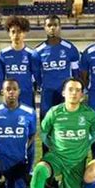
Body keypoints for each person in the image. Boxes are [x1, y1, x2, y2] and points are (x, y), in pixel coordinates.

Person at [25, 78, 95, 188]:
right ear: (64, 93)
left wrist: (82, 148)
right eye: (70, 89)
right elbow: (44, 133)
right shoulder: (54, 112)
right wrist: (53, 147)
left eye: (78, 90)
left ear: (82, 94)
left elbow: (94, 134)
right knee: (39, 171)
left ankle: (66, 187)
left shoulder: (89, 114)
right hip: (57, 157)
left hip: (76, 163)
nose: (74, 93)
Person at [33, 15, 80, 152]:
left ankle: (66, 157)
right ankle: (48, 160)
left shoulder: (70, 48)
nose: (52, 28)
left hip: (65, 95)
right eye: (49, 25)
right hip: (48, 95)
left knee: (67, 127)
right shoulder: (38, 51)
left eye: (55, 25)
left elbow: (76, 74)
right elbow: (37, 76)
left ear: (60, 27)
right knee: (47, 127)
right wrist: (44, 86)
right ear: (45, 28)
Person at [0, 16, 37, 108]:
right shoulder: (3, 54)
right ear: (9, 33)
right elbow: (1, 76)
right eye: (13, 32)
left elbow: (36, 76)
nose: (16, 35)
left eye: (19, 31)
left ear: (24, 33)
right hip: (10, 96)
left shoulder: (31, 54)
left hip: (26, 95)